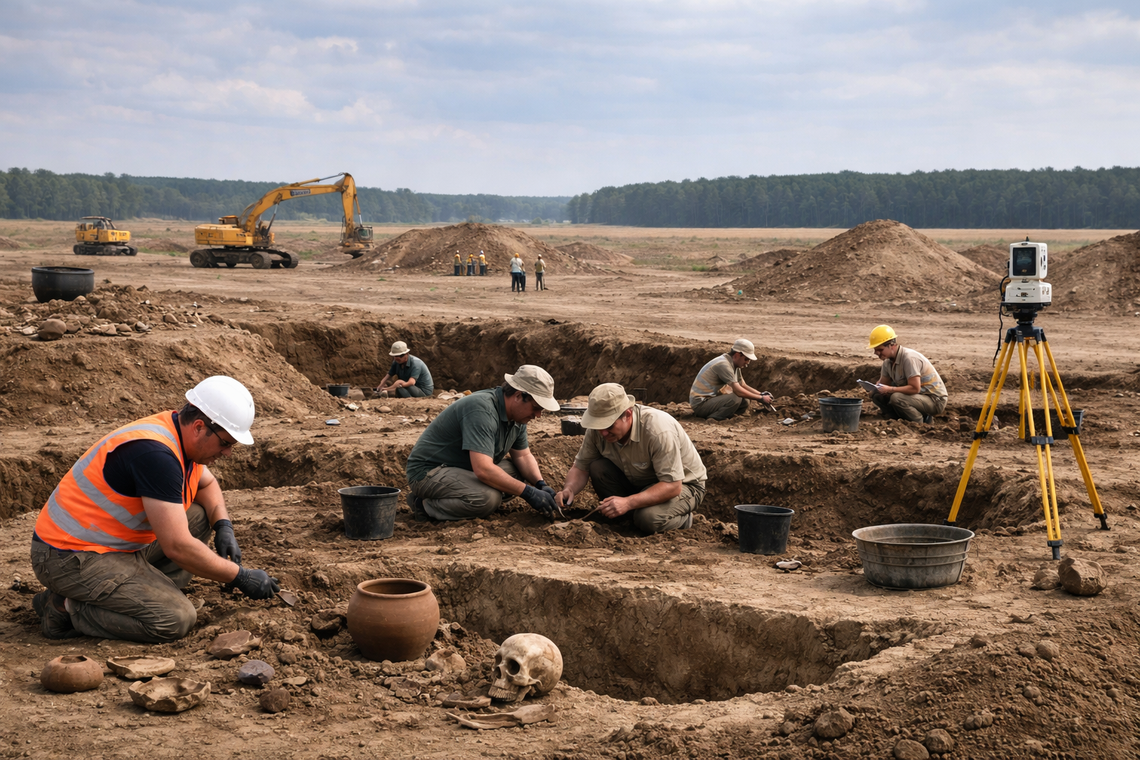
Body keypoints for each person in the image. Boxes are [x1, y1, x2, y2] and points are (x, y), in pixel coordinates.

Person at [29, 376, 278, 643]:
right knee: (175, 618)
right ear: (198, 426)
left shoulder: (177, 436)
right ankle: (63, 606)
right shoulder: (156, 456)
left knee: (200, 516)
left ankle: (138, 593)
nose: (227, 452)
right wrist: (240, 577)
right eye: (226, 443)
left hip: (108, 544)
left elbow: (206, 485)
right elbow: (177, 547)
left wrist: (223, 526)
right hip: (67, 557)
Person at [405, 365, 561, 522]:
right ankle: (425, 505)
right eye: (535, 407)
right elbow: (483, 469)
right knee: (487, 498)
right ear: (518, 396)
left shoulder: (517, 418)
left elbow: (523, 456)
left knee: (517, 472)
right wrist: (528, 493)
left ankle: (466, 498)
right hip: (428, 473)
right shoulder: (482, 409)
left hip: (463, 468)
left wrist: (540, 485)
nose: (538, 415)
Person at [556, 383, 706, 534]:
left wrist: (628, 502)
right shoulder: (598, 431)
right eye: (599, 426)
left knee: (648, 518)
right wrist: (569, 489)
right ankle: (630, 517)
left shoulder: (657, 430)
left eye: (609, 426)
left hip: (683, 486)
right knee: (598, 468)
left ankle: (682, 518)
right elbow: (581, 467)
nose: (603, 433)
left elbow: (673, 485)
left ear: (627, 415)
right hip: (639, 482)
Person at [867, 324, 948, 423]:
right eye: (875, 350)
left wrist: (889, 389)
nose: (877, 353)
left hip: (934, 400)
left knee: (897, 398)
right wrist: (873, 389)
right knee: (877, 395)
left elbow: (915, 388)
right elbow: (883, 383)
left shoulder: (909, 359)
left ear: (892, 345)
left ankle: (920, 423)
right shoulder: (887, 362)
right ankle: (896, 420)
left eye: (880, 349)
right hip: (917, 397)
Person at [689, 339, 773, 421]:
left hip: (711, 401)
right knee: (735, 398)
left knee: (745, 400)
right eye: (746, 359)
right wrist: (760, 398)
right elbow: (738, 391)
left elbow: (742, 385)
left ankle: (727, 415)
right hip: (701, 404)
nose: (747, 363)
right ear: (737, 355)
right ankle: (714, 418)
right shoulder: (724, 365)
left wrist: (761, 394)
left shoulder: (734, 364)